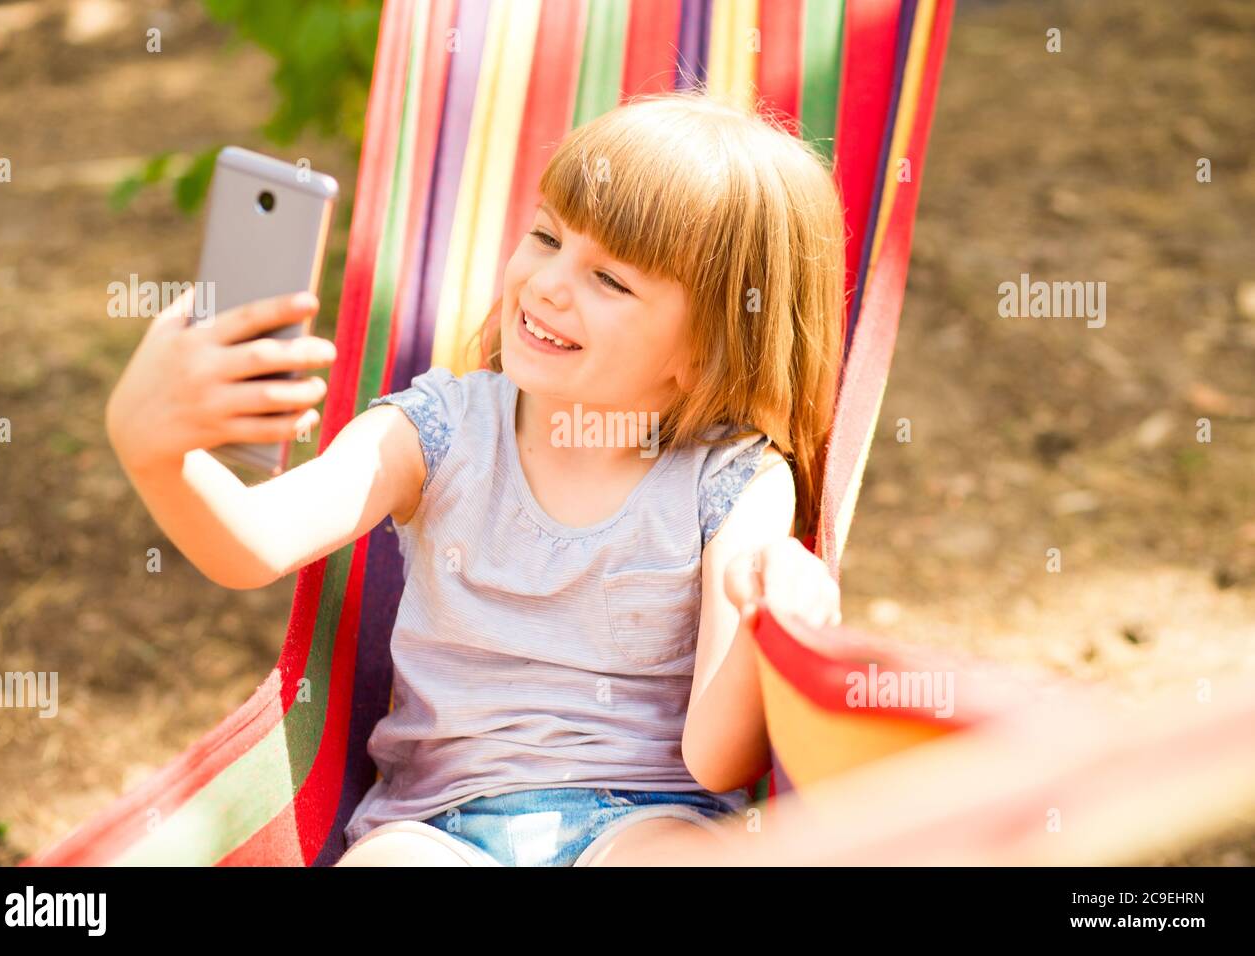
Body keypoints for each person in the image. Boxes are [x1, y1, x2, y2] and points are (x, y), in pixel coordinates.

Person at [105, 89, 846, 866]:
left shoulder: (733, 481)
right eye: (546, 236)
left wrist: (771, 625)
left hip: (647, 820)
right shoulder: (439, 429)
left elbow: (719, 760)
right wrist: (155, 450)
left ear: (711, 347)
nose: (549, 283)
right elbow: (253, 545)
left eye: (612, 281)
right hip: (437, 827)